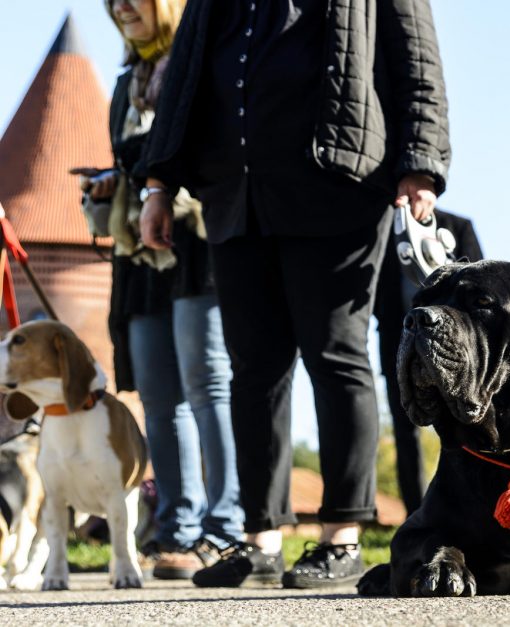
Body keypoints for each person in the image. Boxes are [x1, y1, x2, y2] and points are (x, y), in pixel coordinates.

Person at [138, 0, 450, 589]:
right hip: (236, 193)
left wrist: (421, 166)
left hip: (340, 184)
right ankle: (261, 540)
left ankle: (341, 537)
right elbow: (186, 73)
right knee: (253, 369)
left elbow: (417, 60)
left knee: (335, 356)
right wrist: (159, 182)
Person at [79, 0, 244, 579]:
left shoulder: (199, 62)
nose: (122, 6)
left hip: (194, 245)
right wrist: (107, 184)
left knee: (208, 387)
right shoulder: (127, 82)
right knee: (157, 395)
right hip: (139, 256)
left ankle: (226, 529)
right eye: (113, 0)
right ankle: (177, 526)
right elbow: (130, 162)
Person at [373, 209, 482, 515]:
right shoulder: (382, 233)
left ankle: (471, 507)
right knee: (404, 430)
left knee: (466, 423)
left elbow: (481, 285)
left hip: (454, 348)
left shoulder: (457, 227)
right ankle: (417, 512)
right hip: (398, 344)